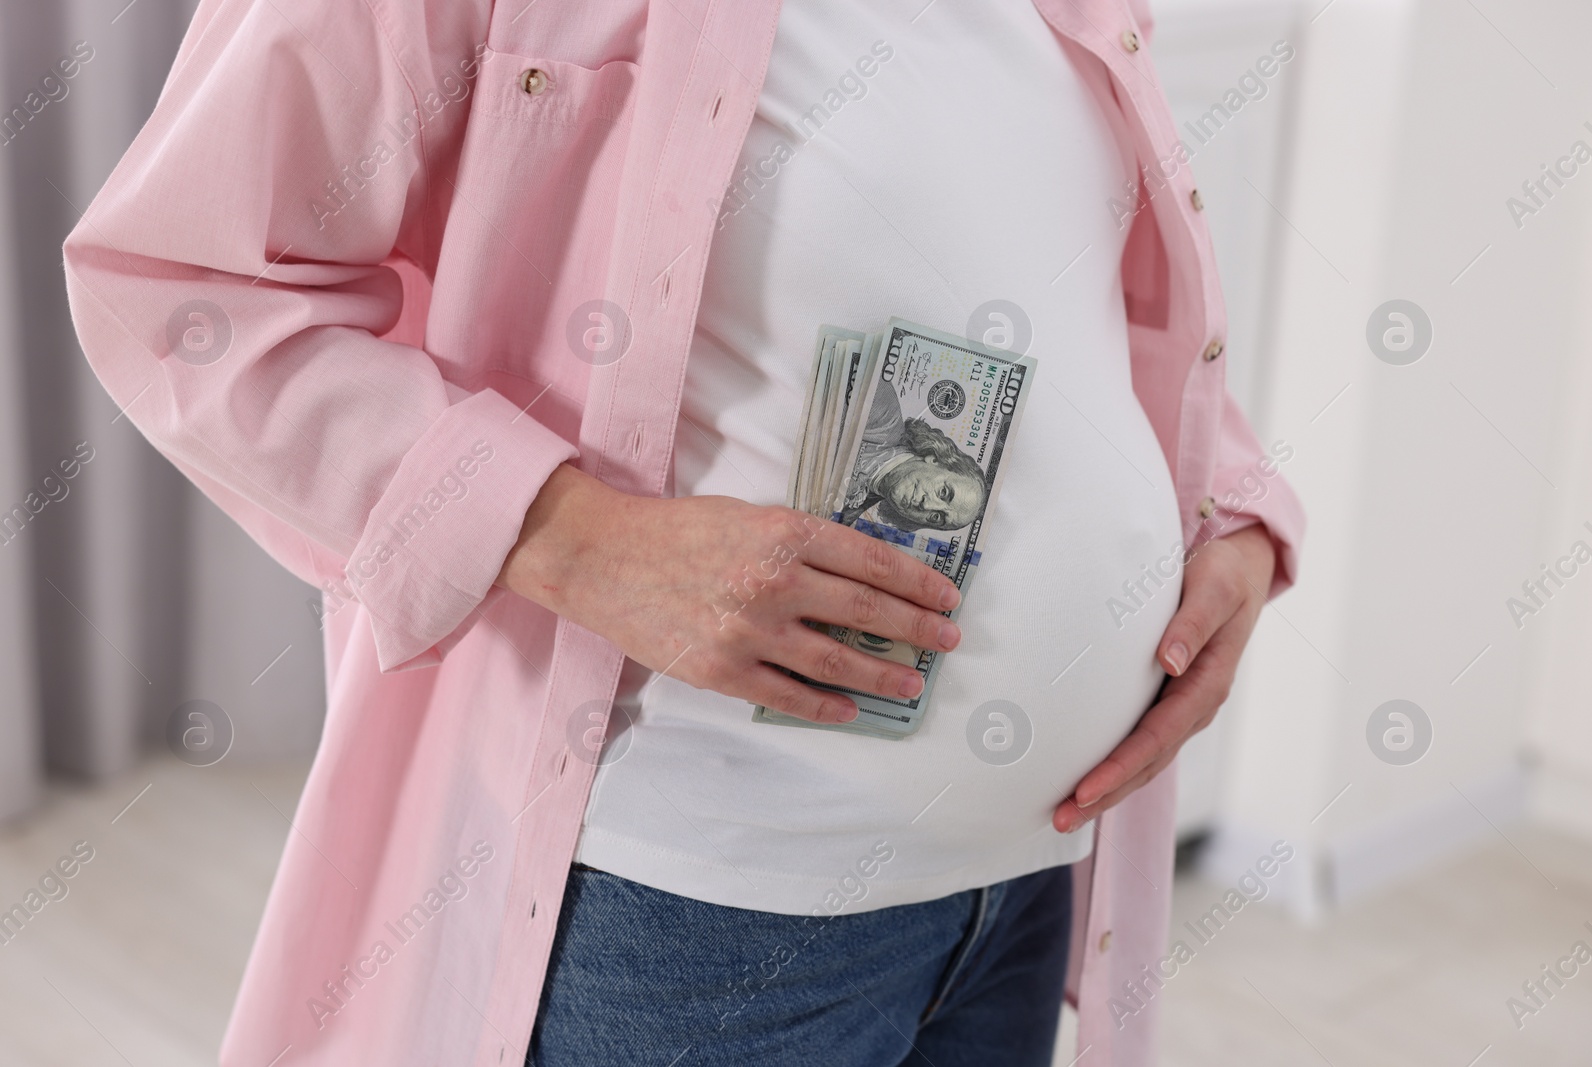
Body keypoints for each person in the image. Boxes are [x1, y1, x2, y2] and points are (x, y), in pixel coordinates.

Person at [63, 0, 1306, 1064]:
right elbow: (181, 290)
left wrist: (1227, 515)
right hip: (698, 912)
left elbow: (1079, 293)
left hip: (1020, 884)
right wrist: (575, 535)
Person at [838, 377, 990, 533]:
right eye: (943, 492)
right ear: (935, 459)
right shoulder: (882, 411)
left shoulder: (846, 518)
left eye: (936, 517)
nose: (926, 506)